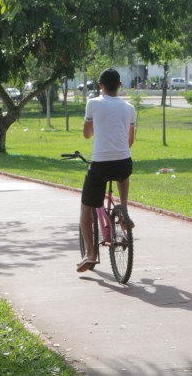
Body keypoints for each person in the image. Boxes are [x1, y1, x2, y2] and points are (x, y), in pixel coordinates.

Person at [77, 68, 136, 273]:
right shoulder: (129, 108)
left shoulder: (93, 103)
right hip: (123, 162)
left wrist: (96, 124)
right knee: (123, 171)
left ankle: (91, 253)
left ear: (100, 85)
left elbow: (86, 134)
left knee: (86, 207)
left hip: (100, 164)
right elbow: (130, 141)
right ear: (119, 86)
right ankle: (124, 210)